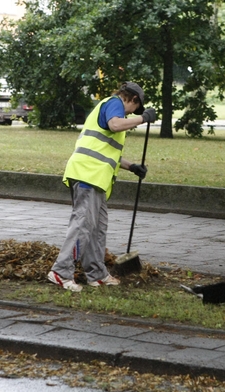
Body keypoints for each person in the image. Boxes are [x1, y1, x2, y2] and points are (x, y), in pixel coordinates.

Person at [48, 82, 157, 292]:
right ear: (133, 100)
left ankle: (96, 274)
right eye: (137, 108)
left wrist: (132, 166)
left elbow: (108, 151)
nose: (134, 114)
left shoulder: (112, 108)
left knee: (97, 229)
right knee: (83, 225)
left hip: (96, 178)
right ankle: (61, 272)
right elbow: (115, 125)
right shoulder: (115, 104)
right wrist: (144, 118)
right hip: (88, 175)